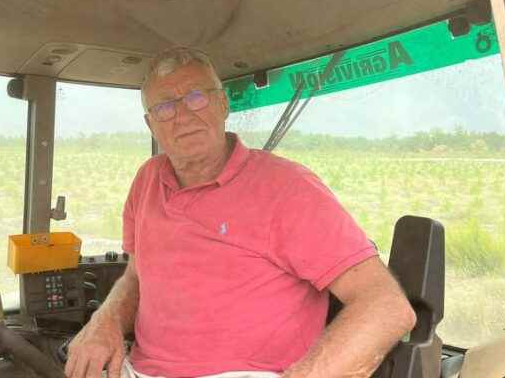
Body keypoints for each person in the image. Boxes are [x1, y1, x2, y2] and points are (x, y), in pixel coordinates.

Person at [65, 47, 416, 378]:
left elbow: (385, 306)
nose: (183, 115)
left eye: (197, 97)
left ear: (222, 103)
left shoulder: (288, 188)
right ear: (150, 123)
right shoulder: (147, 180)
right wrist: (104, 322)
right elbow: (136, 275)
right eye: (166, 107)